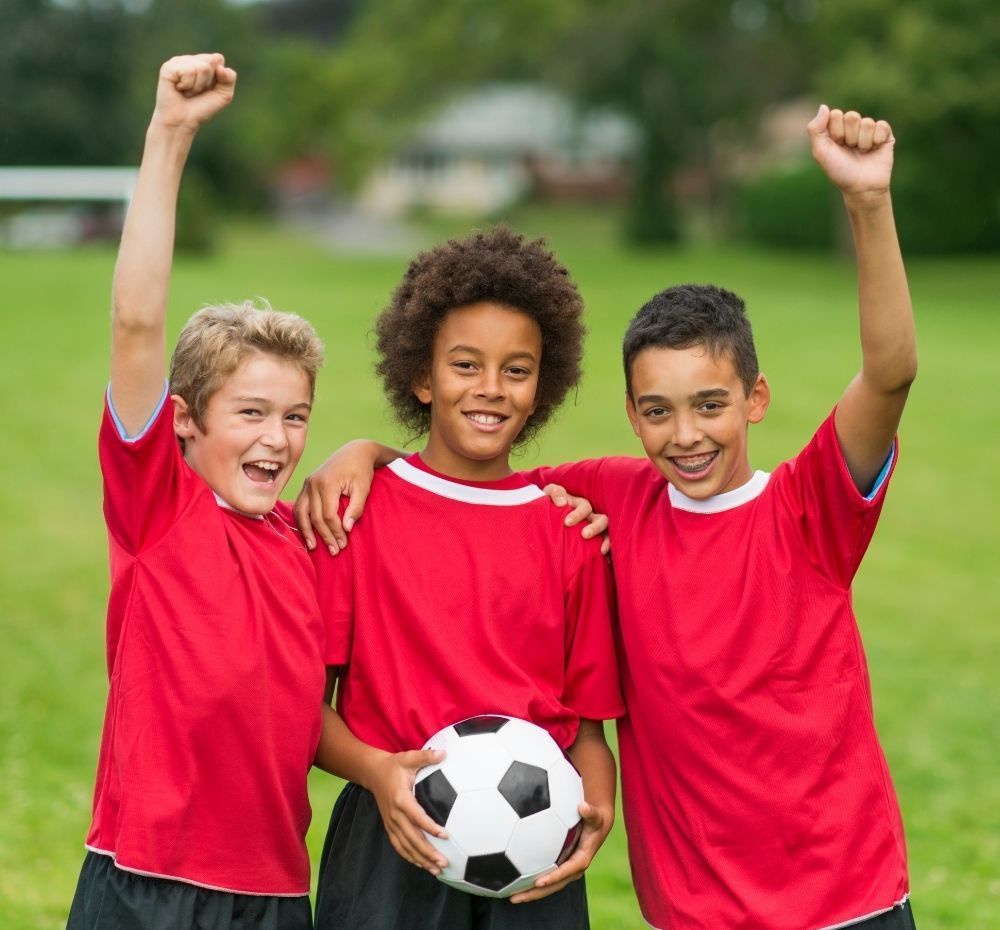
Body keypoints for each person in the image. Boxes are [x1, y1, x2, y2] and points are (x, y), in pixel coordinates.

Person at [296, 106, 919, 930]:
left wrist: (869, 204)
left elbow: (889, 374)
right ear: (631, 413)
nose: (686, 435)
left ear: (755, 401)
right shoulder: (614, 498)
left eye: (710, 406)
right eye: (658, 411)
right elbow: (473, 482)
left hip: (841, 899)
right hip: (689, 911)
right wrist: (367, 452)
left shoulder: (805, 511)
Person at [67, 54, 324, 930]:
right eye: (250, 411)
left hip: (278, 897)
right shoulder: (159, 510)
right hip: (145, 885)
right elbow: (137, 321)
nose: (277, 439)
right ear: (182, 422)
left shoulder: (307, 543)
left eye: (295, 417)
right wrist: (170, 134)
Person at [309, 226, 625, 930]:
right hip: (390, 840)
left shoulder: (568, 534)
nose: (490, 389)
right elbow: (306, 708)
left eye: (516, 369)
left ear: (543, 384)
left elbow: (587, 735)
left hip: (535, 848)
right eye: (464, 365)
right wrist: (374, 771)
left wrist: (594, 811)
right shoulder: (357, 516)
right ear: (422, 376)